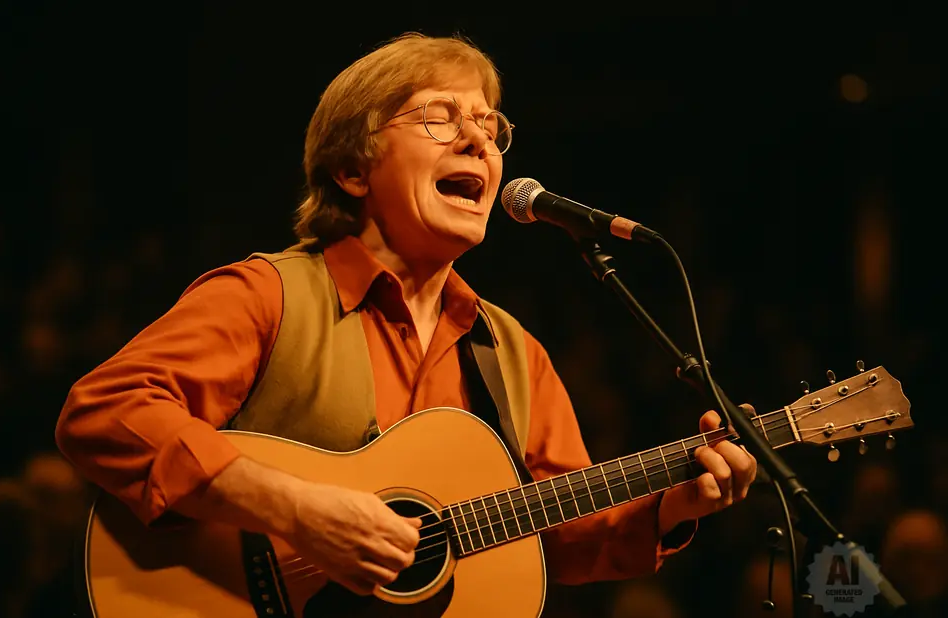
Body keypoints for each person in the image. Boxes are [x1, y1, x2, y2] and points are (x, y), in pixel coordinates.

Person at [54, 32, 757, 600]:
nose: (480, 142)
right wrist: (295, 510)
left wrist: (672, 507)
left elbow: (556, 540)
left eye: (490, 126)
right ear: (355, 171)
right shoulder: (266, 294)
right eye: (440, 118)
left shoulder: (511, 351)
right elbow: (104, 411)